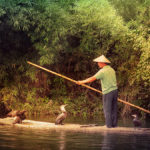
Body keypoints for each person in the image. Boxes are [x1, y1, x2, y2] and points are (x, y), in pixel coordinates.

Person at [77, 55, 118, 128]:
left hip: (108, 92)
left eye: (98, 62)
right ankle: (114, 125)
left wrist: (81, 82)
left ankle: (108, 126)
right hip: (115, 91)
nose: (98, 64)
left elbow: (92, 78)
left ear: (102, 63)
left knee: (107, 109)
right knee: (113, 108)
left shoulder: (102, 71)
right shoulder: (112, 70)